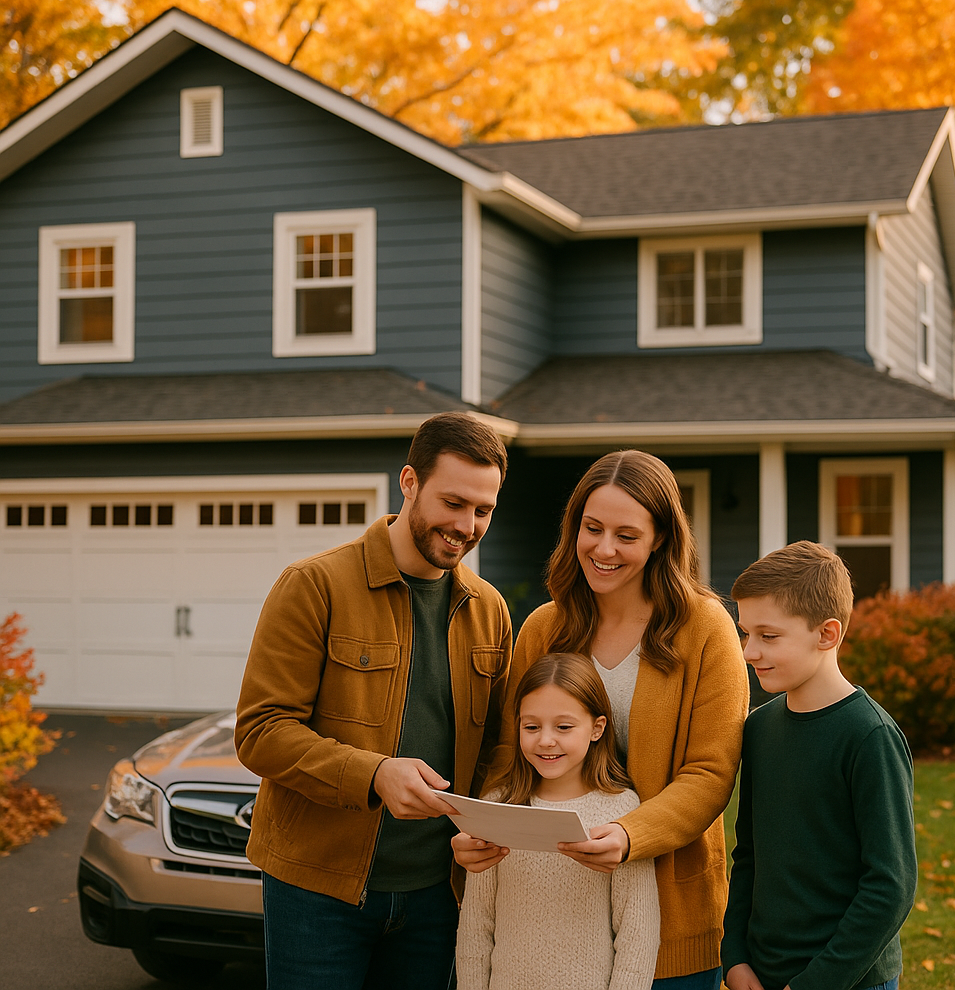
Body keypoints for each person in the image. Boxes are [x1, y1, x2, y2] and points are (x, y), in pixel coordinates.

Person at [234, 411, 513, 990]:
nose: (466, 525)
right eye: (453, 502)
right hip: (317, 891)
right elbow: (261, 731)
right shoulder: (313, 585)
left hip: (438, 895)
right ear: (409, 482)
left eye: (482, 510)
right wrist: (374, 774)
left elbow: (496, 749)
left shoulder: (490, 611)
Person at [456, 449, 750, 989]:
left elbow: (710, 774)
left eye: (627, 535)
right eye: (592, 528)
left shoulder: (706, 628)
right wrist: (483, 831)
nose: (604, 549)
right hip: (548, 925)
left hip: (672, 916)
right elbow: (508, 757)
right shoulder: (545, 627)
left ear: (661, 538)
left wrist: (626, 835)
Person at [722, 541, 917, 990]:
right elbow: (749, 853)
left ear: (827, 634)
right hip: (762, 972)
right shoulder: (758, 729)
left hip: (849, 979)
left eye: (768, 636)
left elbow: (892, 884)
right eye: (745, 633)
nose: (750, 652)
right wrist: (735, 957)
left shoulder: (869, 737)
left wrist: (819, 982)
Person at [455, 654, 660, 990]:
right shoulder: (497, 806)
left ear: (597, 728)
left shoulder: (620, 812)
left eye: (563, 727)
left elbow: (638, 932)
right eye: (531, 726)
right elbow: (477, 926)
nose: (545, 740)